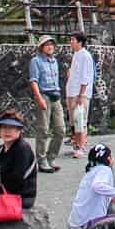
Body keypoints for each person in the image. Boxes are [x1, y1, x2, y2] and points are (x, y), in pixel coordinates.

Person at [68, 144, 115, 229]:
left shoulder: (90, 172)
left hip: (75, 225)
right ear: (107, 158)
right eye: (110, 156)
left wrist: (111, 198)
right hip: (89, 226)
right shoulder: (104, 169)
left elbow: (94, 193)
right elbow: (97, 186)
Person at [27, 35, 65, 175]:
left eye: (51, 44)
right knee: (43, 129)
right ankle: (41, 159)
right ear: (41, 47)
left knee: (60, 129)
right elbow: (33, 81)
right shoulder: (35, 61)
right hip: (44, 95)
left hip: (56, 96)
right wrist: (39, 98)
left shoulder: (54, 61)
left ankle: (51, 157)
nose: (50, 46)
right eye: (46, 44)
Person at [66, 32, 97, 161]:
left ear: (80, 42)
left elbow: (86, 76)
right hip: (72, 91)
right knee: (74, 120)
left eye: (73, 40)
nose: (71, 42)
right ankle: (77, 143)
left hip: (80, 93)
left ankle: (80, 147)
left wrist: (81, 94)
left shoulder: (85, 56)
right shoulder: (76, 55)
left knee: (80, 120)